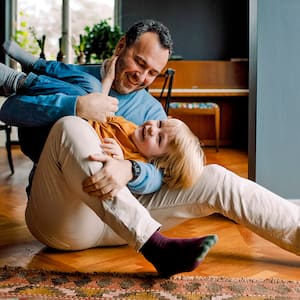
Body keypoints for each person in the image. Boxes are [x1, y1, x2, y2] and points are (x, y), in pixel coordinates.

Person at [0, 18, 300, 270]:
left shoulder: (152, 113)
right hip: (68, 220)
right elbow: (9, 110)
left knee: (216, 176)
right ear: (121, 47)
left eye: (152, 73)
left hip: (126, 221)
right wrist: (75, 106)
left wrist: (130, 169)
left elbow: (162, 173)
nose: (141, 76)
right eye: (139, 62)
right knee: (72, 125)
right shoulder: (79, 80)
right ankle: (155, 245)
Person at [0, 59, 205, 190]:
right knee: (89, 87)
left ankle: (20, 81)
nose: (153, 127)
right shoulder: (132, 128)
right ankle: (26, 75)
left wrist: (120, 159)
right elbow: (100, 109)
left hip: (59, 148)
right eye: (160, 124)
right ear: (121, 48)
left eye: (159, 138)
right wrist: (107, 79)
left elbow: (113, 163)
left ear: (157, 161)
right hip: (38, 122)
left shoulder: (134, 157)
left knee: (84, 92)